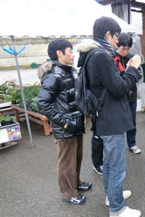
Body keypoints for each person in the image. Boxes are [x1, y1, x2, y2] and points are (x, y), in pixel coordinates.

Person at [77, 16, 141, 217]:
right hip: (110, 118)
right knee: (116, 167)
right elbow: (120, 88)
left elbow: (111, 83)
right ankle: (117, 208)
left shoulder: (93, 54)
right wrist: (133, 68)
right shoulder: (101, 56)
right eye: (116, 37)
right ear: (108, 35)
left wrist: (127, 69)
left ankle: (111, 196)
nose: (117, 41)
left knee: (110, 164)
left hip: (104, 116)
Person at [37, 39, 91, 205]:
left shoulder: (69, 71)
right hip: (65, 127)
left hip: (75, 124)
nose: (73, 54)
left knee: (77, 157)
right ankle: (68, 193)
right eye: (70, 51)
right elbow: (42, 103)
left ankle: (76, 184)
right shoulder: (53, 75)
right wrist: (64, 122)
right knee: (66, 162)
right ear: (59, 53)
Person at [115, 33, 141, 154]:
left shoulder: (132, 57)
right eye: (123, 48)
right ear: (117, 46)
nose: (125, 51)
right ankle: (118, 146)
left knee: (132, 121)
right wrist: (127, 72)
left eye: (128, 49)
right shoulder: (112, 57)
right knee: (119, 122)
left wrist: (136, 72)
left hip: (131, 95)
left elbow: (138, 75)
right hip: (118, 97)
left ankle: (132, 143)